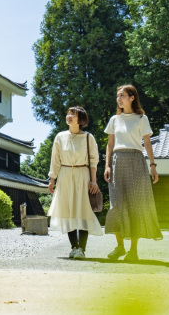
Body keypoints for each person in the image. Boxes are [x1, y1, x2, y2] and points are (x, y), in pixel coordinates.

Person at [103, 84, 163, 262]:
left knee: (135, 205)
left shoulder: (141, 118)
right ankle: (120, 247)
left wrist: (153, 165)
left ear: (132, 98)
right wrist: (107, 165)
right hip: (117, 162)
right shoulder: (115, 119)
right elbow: (110, 144)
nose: (119, 99)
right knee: (116, 206)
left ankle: (133, 250)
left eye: (122, 95)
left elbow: (147, 143)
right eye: (117, 96)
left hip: (136, 162)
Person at [48, 106, 103, 260]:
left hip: (82, 175)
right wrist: (52, 179)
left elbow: (93, 160)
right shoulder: (60, 137)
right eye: (68, 113)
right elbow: (55, 159)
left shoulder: (88, 137)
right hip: (65, 176)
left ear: (81, 119)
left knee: (83, 211)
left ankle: (82, 249)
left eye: (73, 114)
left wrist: (94, 181)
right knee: (69, 211)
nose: (69, 116)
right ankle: (74, 247)